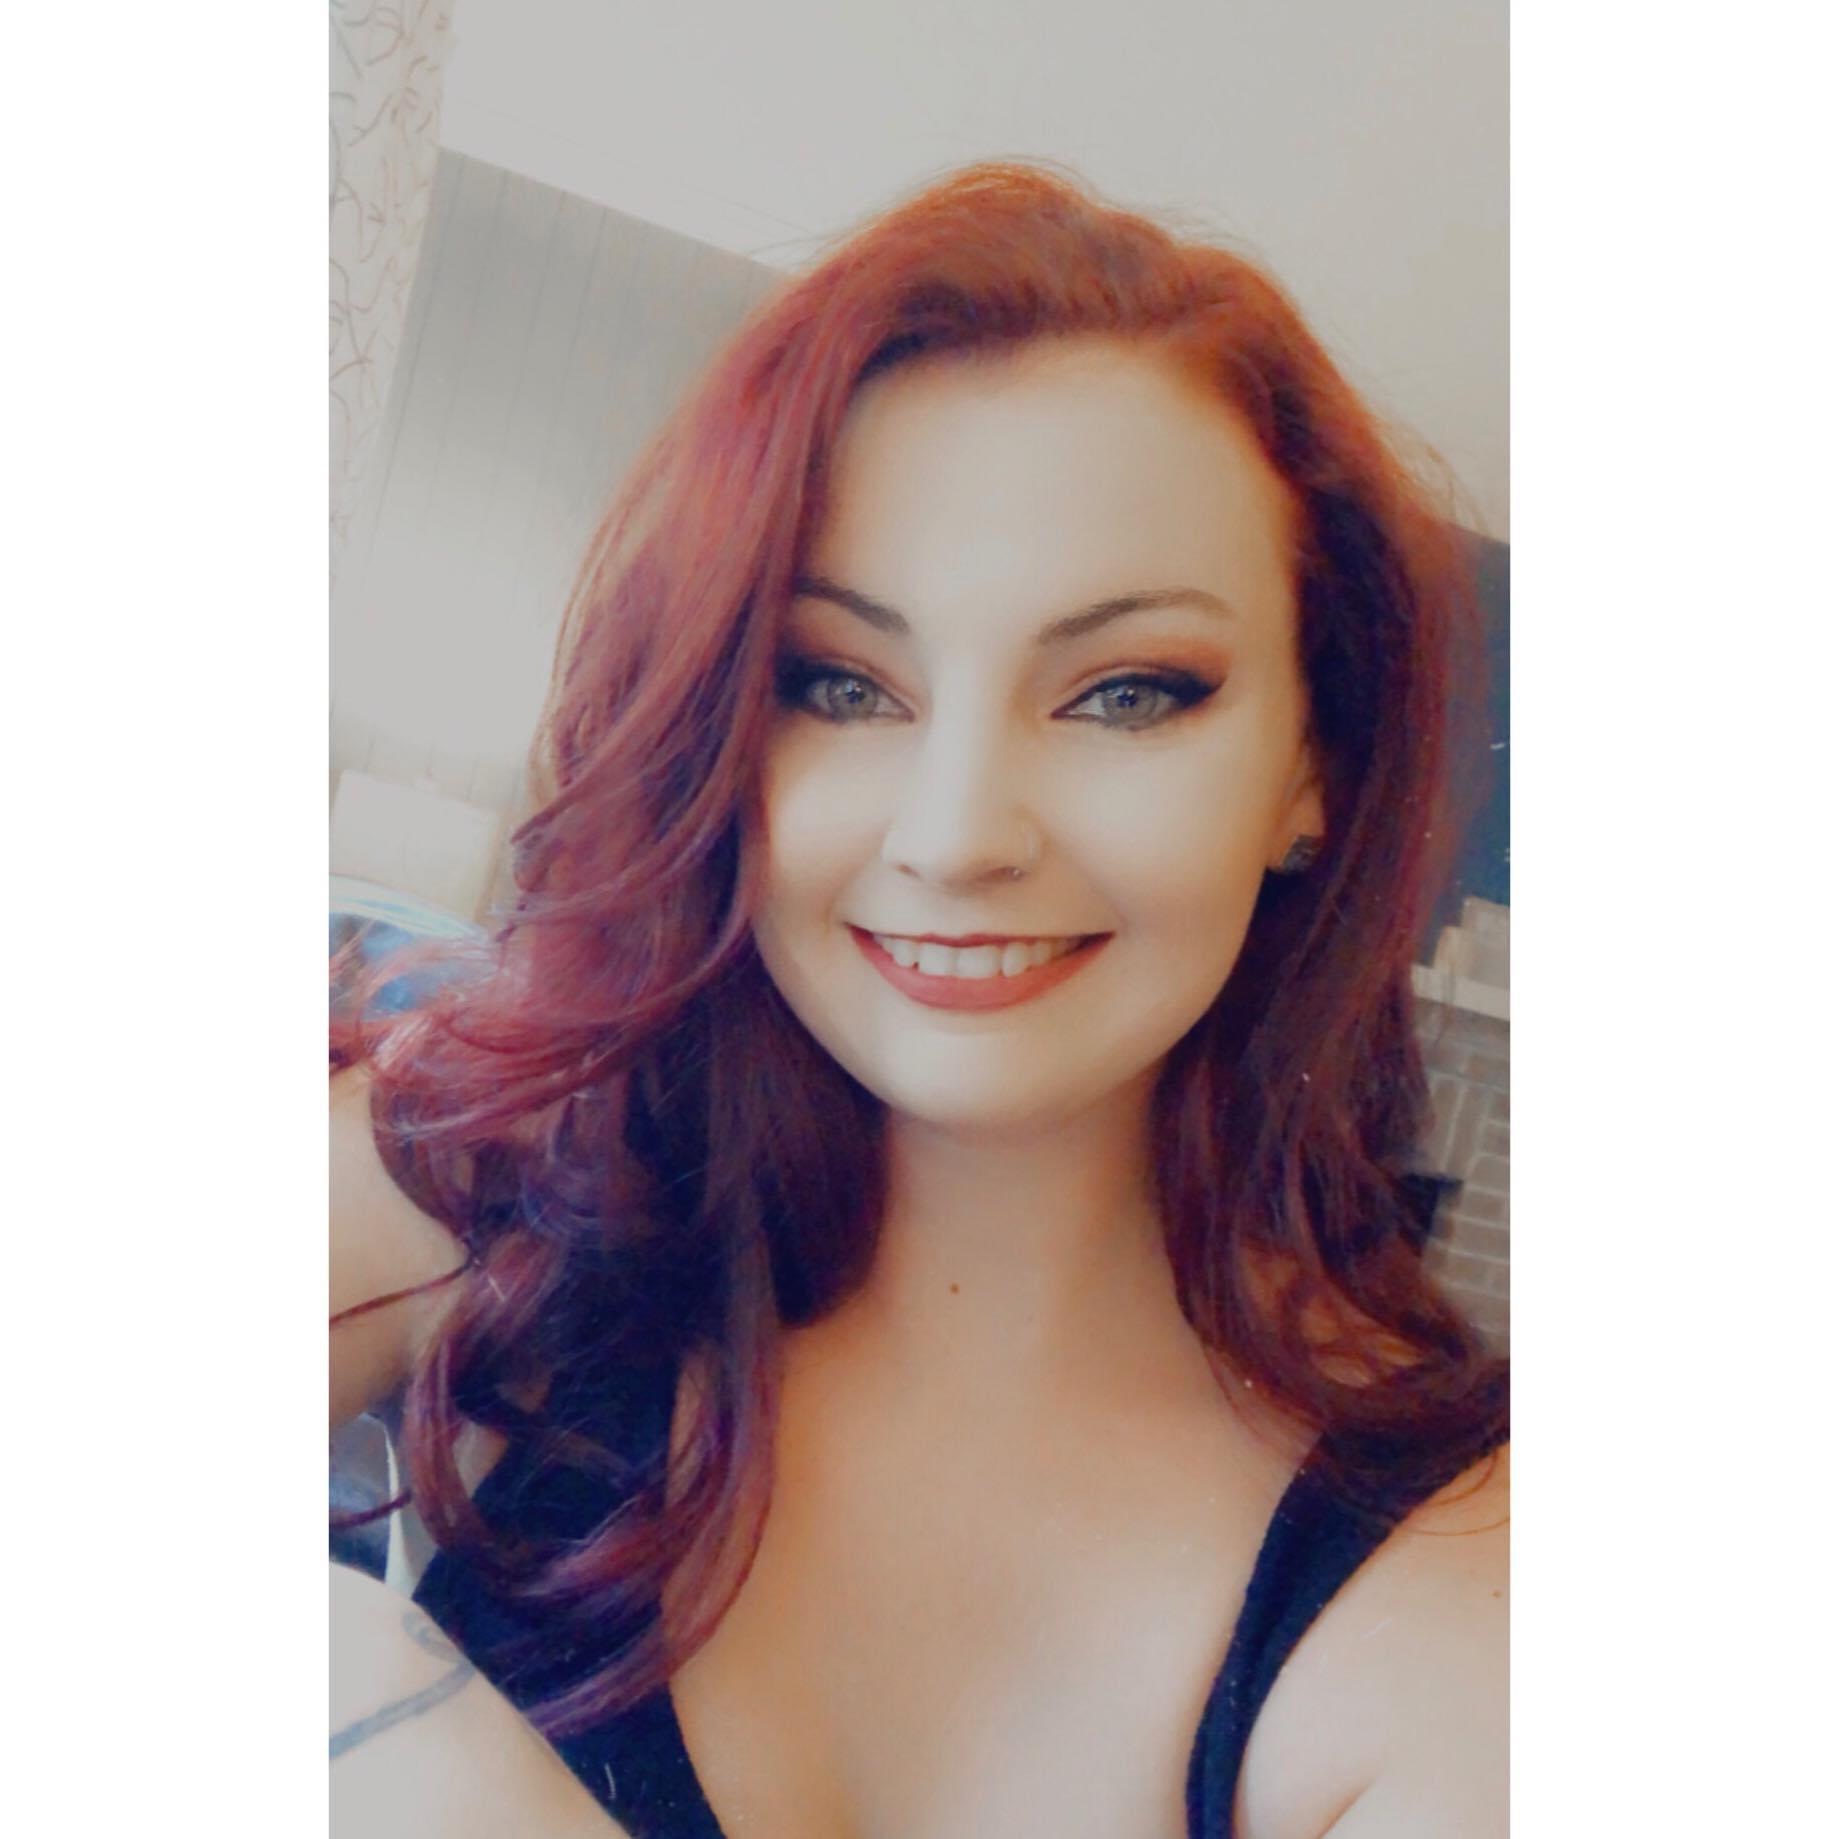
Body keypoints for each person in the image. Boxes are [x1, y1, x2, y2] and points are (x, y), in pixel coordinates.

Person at [330, 160, 1508, 1839]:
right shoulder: (486, 1179)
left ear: (1310, 766)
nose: (957, 835)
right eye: (838, 683)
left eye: (1126, 692)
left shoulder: (1466, 1595)